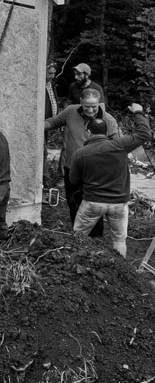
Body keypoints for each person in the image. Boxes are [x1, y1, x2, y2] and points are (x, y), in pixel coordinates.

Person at [70, 105, 151, 257]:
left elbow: (73, 180)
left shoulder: (80, 153)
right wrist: (138, 112)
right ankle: (120, 276)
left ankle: (74, 269)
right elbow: (145, 133)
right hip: (118, 204)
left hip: (92, 202)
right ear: (106, 132)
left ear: (88, 132)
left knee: (78, 237)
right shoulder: (120, 145)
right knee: (119, 240)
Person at [45, 88, 117, 234]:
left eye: (94, 106)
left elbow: (117, 147)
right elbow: (52, 122)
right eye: (87, 106)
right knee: (73, 201)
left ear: (99, 103)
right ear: (81, 102)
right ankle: (77, 233)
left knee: (93, 203)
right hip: (72, 166)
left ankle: (95, 236)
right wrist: (33, 126)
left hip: (95, 170)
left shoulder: (108, 120)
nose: (90, 110)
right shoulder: (71, 112)